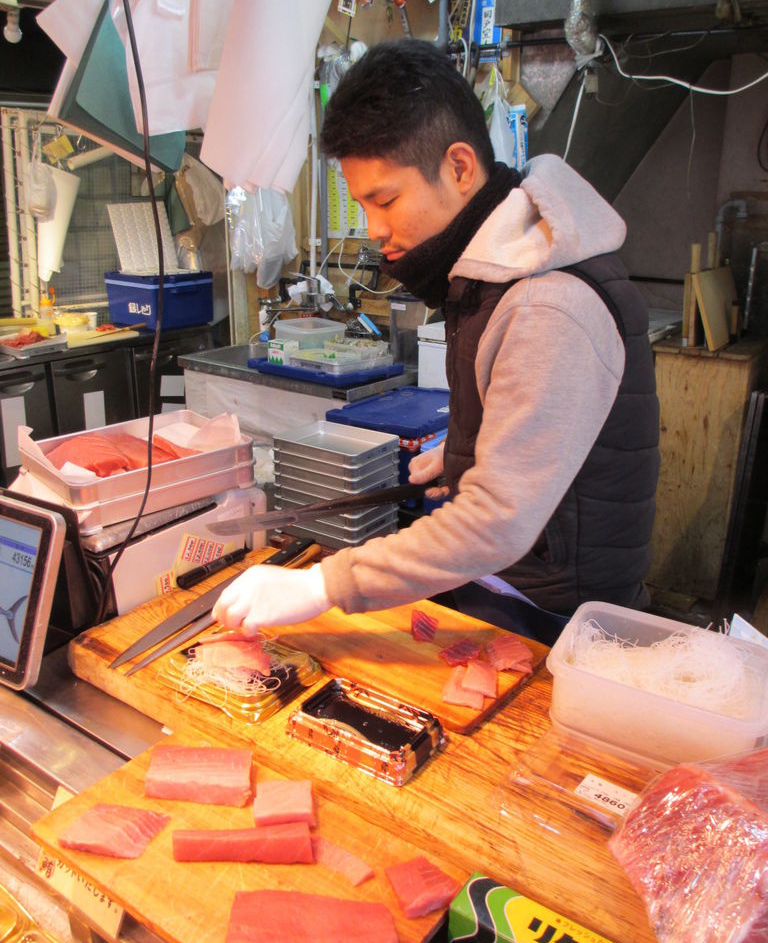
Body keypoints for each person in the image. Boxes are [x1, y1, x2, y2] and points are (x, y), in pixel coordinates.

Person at [213, 39, 660, 646]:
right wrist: (470, 450)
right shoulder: (488, 273)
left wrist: (322, 585)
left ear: (459, 168)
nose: (374, 229)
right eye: (362, 204)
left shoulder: (546, 301)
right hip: (515, 585)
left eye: (386, 200)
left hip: (557, 620)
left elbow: (495, 523)